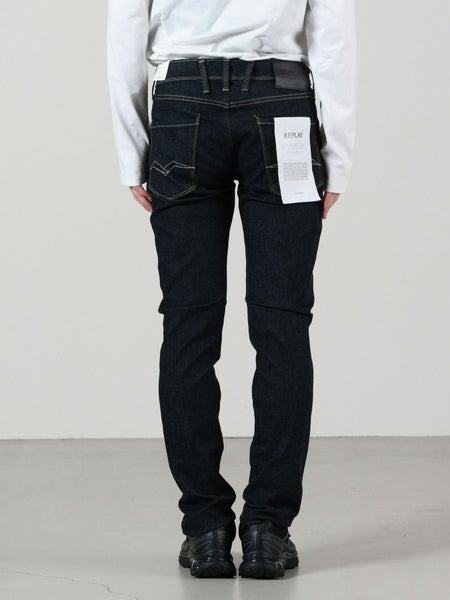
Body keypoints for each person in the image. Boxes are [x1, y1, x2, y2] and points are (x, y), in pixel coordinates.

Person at [106, 0, 356, 579]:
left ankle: (206, 530)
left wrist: (131, 150)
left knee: (188, 325)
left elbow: (126, 30)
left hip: (181, 107)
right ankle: (268, 529)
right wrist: (338, 157)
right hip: (282, 105)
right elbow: (334, 37)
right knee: (283, 325)